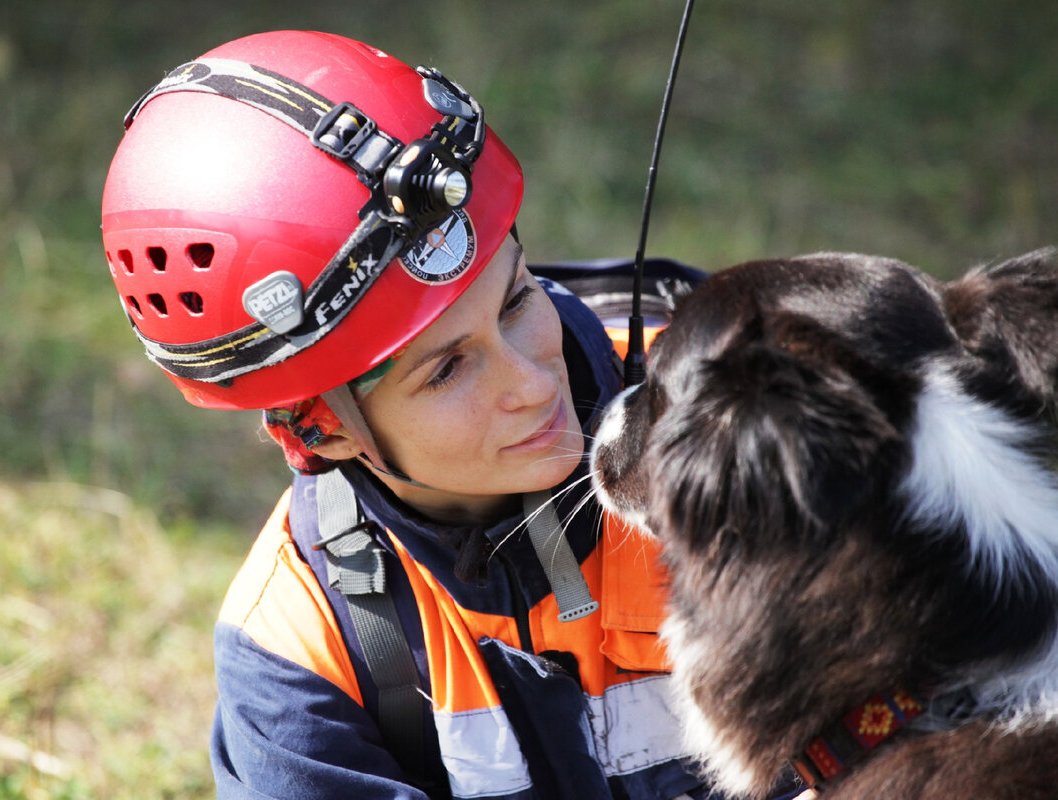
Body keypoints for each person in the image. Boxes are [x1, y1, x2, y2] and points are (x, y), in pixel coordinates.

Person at [100, 30, 801, 800]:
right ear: (321, 428)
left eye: (517, 300)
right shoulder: (297, 645)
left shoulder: (740, 415)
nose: (533, 383)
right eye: (447, 369)